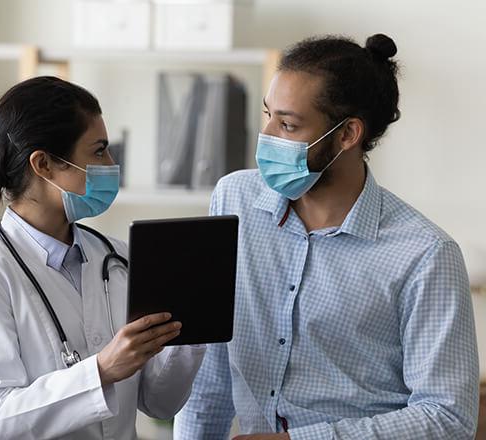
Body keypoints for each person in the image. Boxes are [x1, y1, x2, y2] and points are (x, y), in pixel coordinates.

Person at [174, 34, 479, 439]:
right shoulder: (235, 199)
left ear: (348, 134)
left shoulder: (425, 254)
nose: (266, 136)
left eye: (288, 124)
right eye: (268, 115)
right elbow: (211, 370)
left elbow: (448, 418)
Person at [0, 76, 206, 440]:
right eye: (99, 151)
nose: (112, 163)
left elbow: (159, 403)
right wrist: (100, 371)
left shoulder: (119, 258)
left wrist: (192, 328)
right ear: (44, 164)